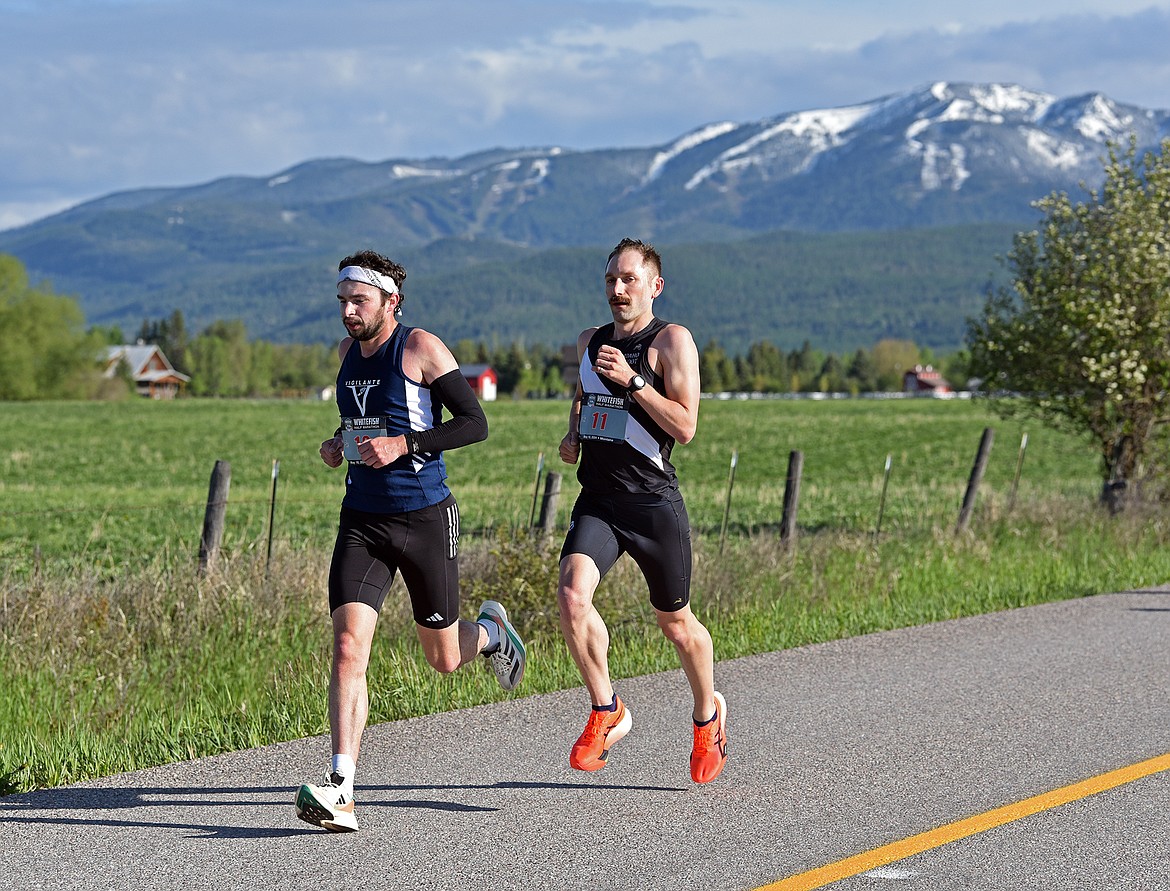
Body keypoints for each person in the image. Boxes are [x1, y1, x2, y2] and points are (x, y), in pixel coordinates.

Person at [295, 250, 526, 832]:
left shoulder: (421, 347)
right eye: (342, 302)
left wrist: (406, 445)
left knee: (444, 658)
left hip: (425, 517)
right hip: (363, 520)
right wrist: (336, 443)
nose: (348, 312)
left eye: (359, 302)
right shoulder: (347, 355)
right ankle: (341, 786)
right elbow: (361, 422)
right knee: (349, 646)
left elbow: (475, 423)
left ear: (390, 302)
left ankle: (494, 634)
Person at [556, 237, 727, 784]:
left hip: (652, 502)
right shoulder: (589, 341)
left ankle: (707, 718)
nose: (618, 289)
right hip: (600, 500)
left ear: (655, 286)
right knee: (571, 596)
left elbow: (685, 425)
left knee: (675, 623)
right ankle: (608, 710)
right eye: (610, 280)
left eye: (629, 279)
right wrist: (573, 433)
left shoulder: (671, 341)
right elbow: (585, 395)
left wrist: (633, 383)